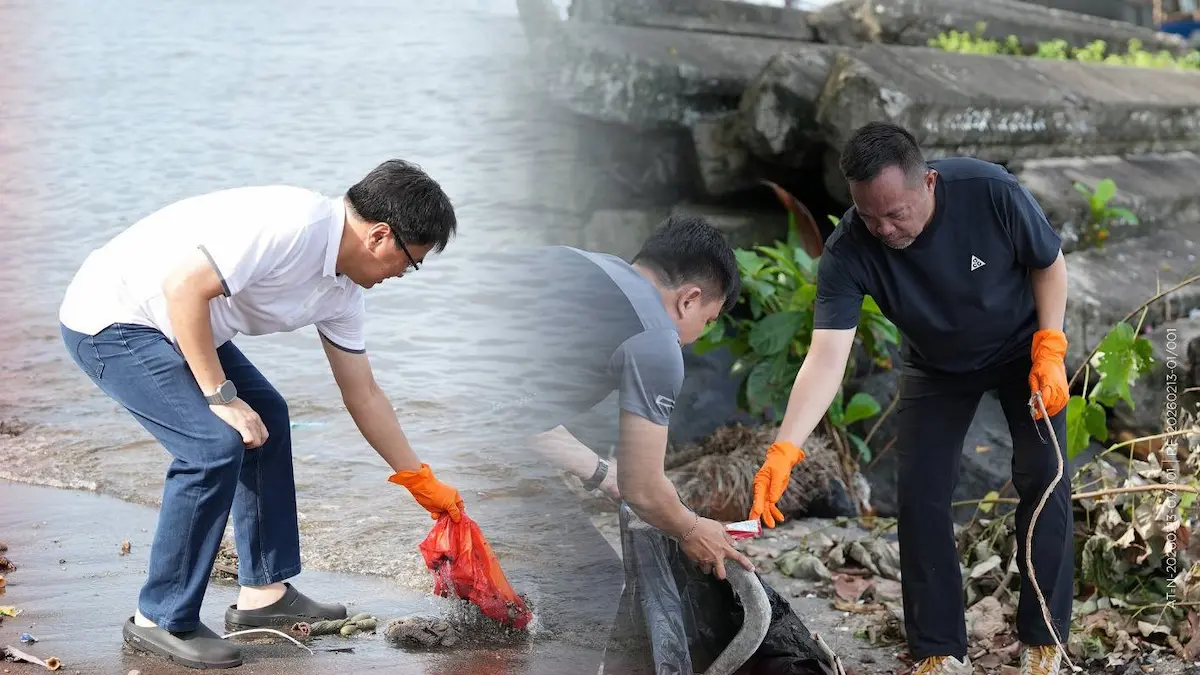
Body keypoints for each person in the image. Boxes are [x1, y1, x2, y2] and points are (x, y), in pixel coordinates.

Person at [57, 159, 466, 670]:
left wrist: (420, 481)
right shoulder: (292, 225)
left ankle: (263, 594)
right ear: (380, 235)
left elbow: (363, 393)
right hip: (111, 317)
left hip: (177, 324)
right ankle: (159, 617)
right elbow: (184, 287)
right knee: (211, 446)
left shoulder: (343, 291)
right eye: (410, 261)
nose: (403, 273)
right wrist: (221, 398)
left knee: (265, 414)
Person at [746, 122, 1073, 675]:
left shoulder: (990, 191)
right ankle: (938, 650)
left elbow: (1049, 263)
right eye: (869, 215)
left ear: (929, 182)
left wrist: (1051, 346)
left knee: (1045, 477)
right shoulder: (851, 247)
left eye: (895, 213)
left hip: (1025, 351)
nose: (884, 229)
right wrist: (785, 448)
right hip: (936, 366)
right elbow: (826, 357)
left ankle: (1045, 640)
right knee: (920, 495)